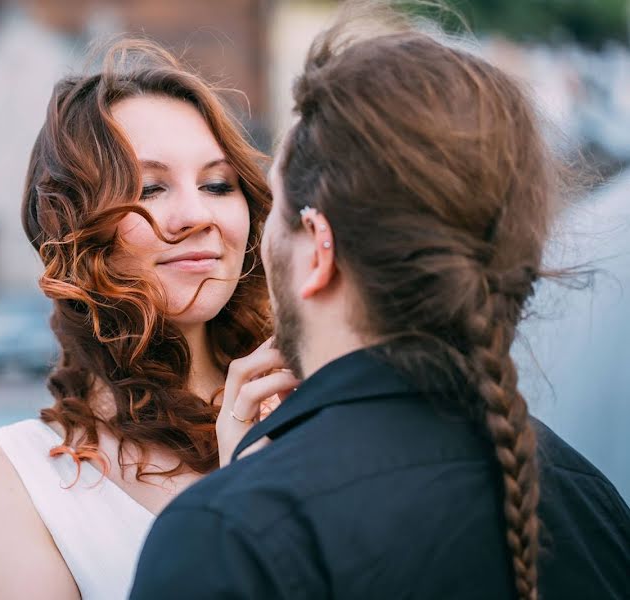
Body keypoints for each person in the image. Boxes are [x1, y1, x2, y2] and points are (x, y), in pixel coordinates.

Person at [131, 5, 630, 600]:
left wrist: (241, 498)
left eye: (275, 210)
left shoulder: (226, 539)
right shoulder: (589, 501)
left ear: (318, 249)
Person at [0, 40, 297, 599]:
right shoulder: (7, 479)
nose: (197, 215)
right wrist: (236, 502)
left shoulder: (306, 414)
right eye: (150, 189)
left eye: (217, 184)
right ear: (76, 232)